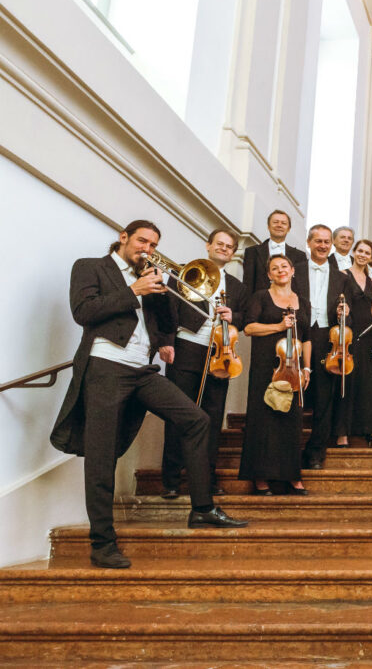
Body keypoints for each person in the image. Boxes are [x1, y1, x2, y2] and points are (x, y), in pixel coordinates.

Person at [51, 220, 246, 569]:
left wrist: (165, 338)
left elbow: (162, 321)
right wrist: (135, 290)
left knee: (197, 419)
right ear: (123, 238)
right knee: (102, 455)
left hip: (142, 370)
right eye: (142, 241)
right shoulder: (91, 267)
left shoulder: (152, 273)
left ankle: (202, 508)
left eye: (154, 244)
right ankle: (102, 542)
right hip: (105, 367)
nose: (148, 248)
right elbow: (83, 312)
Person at [161, 229, 249, 499]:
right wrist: (166, 342)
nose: (224, 249)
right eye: (219, 244)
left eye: (229, 246)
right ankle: (171, 480)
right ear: (208, 245)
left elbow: (245, 319)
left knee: (212, 418)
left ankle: (206, 480)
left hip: (220, 353)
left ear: (233, 253)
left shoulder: (237, 286)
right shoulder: (187, 272)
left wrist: (234, 315)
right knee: (179, 416)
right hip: (185, 349)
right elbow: (167, 309)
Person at [241, 254, 312, 495]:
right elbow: (249, 327)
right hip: (265, 367)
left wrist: (307, 368)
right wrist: (279, 327)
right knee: (264, 420)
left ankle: (292, 475)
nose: (280, 270)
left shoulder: (303, 301)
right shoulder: (260, 296)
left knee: (291, 421)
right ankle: (260, 477)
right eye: (274, 268)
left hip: (293, 368)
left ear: (293, 271)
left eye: (284, 266)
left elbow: (307, 338)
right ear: (269, 274)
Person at [335, 240, 372, 447]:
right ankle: (342, 432)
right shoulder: (342, 275)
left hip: (370, 335)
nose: (362, 255)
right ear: (353, 252)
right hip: (350, 333)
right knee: (349, 381)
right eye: (359, 251)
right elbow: (339, 302)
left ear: (371, 257)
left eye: (367, 252)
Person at [300, 225, 346, 469]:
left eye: (327, 242)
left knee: (323, 398)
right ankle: (289, 451)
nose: (323, 245)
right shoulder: (295, 271)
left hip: (327, 337)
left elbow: (346, 310)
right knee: (295, 394)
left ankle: (316, 452)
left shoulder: (341, 277)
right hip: (298, 336)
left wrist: (344, 312)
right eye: (318, 241)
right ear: (309, 242)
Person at [242, 210, 309, 297]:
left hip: (289, 306)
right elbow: (248, 285)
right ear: (268, 226)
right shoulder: (252, 252)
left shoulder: (300, 256)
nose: (279, 225)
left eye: (283, 223)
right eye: (275, 222)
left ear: (288, 229)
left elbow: (302, 288)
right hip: (259, 305)